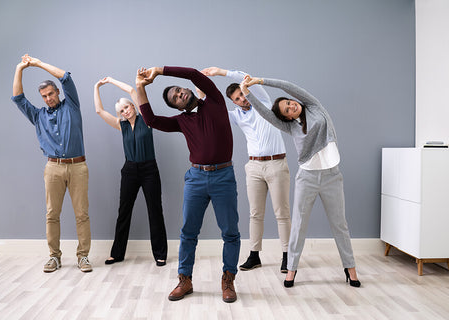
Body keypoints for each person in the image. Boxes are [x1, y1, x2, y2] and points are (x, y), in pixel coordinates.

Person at [240, 75, 361, 288]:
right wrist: (247, 94)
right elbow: (266, 114)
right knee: (298, 226)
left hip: (332, 175)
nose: (291, 106)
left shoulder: (314, 107)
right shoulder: (290, 127)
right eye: (286, 110)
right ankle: (292, 269)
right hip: (308, 178)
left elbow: (288, 86)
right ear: (285, 119)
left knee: (340, 225)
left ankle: (349, 268)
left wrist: (259, 81)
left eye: (289, 103)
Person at [135, 66, 241, 303]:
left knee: (230, 233)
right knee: (188, 233)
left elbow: (194, 74)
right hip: (196, 178)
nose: (180, 94)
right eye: (175, 98)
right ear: (176, 107)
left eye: (179, 90)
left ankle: (228, 280)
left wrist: (159, 71)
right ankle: (185, 280)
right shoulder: (181, 121)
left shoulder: (214, 101)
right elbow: (150, 119)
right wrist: (140, 87)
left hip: (224, 176)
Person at [201, 67, 291, 273]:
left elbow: (245, 77)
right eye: (237, 98)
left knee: (282, 213)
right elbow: (211, 111)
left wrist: (220, 72)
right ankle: (254, 255)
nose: (242, 99)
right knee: (255, 213)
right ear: (233, 102)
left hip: (277, 164)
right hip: (254, 167)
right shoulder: (236, 116)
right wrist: (202, 92)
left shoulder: (264, 103)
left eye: (242, 94)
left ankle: (287, 256)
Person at [11, 54, 92, 273]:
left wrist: (37, 63)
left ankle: (83, 257)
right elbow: (18, 98)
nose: (48, 99)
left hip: (78, 167)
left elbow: (65, 77)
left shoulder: (72, 105)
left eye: (50, 94)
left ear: (57, 92)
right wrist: (20, 68)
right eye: (44, 96)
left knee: (81, 214)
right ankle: (54, 257)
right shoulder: (38, 116)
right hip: (53, 168)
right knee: (51, 214)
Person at [93, 76, 168, 266]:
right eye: (120, 111)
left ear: (133, 107)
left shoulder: (147, 120)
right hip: (129, 171)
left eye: (126, 107)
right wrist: (97, 87)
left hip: (149, 169)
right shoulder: (122, 125)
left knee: (155, 211)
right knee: (123, 211)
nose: (124, 112)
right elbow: (99, 110)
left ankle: (160, 254)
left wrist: (111, 80)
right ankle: (117, 254)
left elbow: (133, 91)